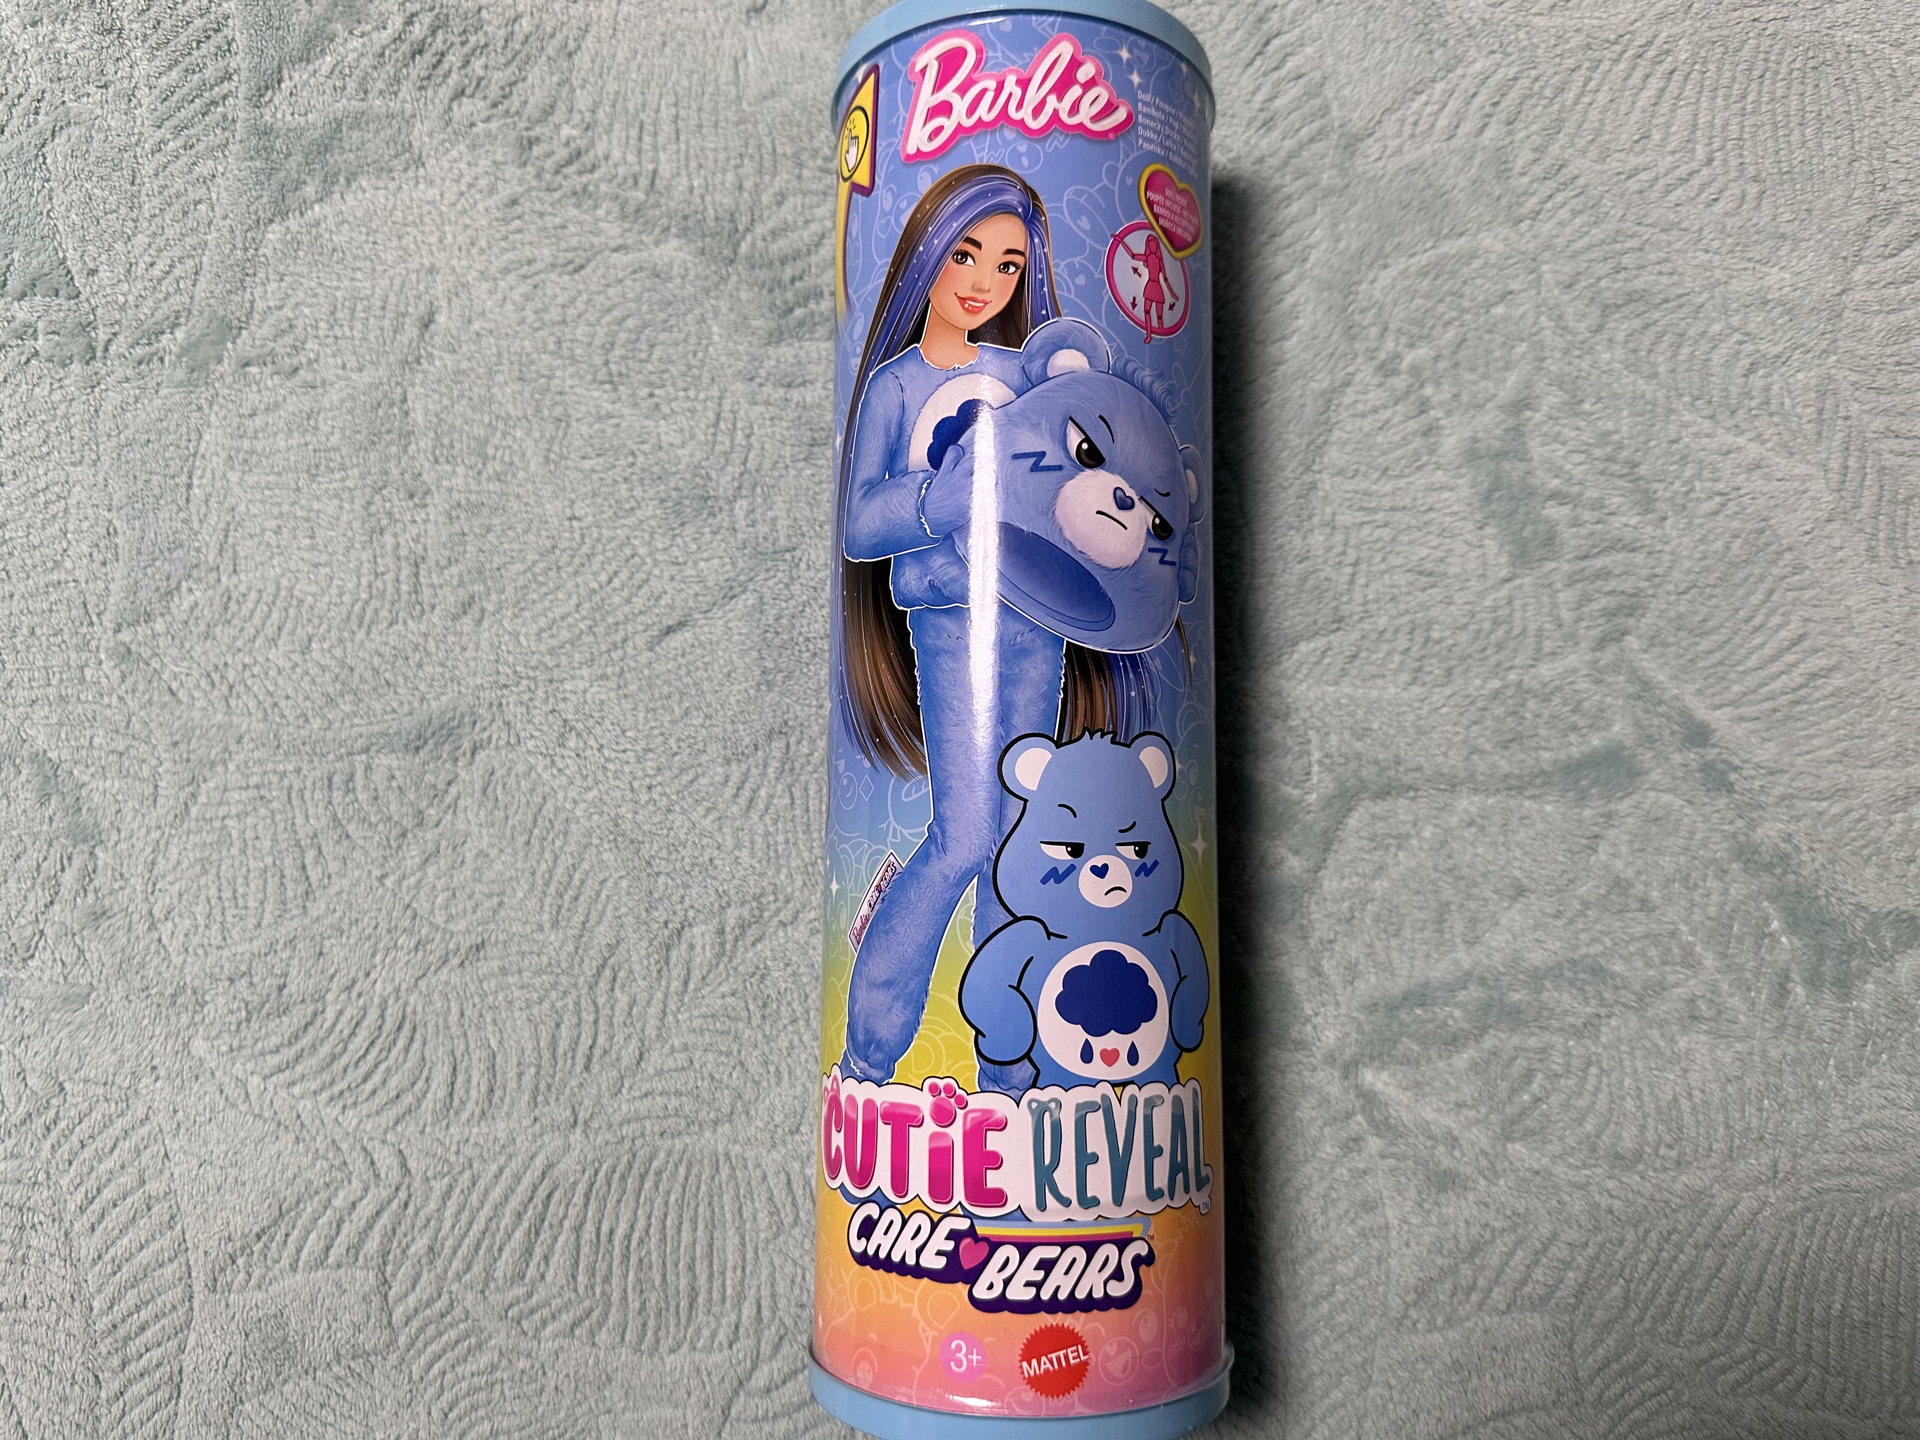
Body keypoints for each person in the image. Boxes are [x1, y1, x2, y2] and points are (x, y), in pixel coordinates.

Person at [835, 165, 1150, 1090]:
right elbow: (860, 522)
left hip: (1037, 621)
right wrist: (942, 496)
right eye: (966, 254)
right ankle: (870, 1053)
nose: (984, 282)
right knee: (967, 834)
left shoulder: (1018, 375)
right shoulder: (896, 387)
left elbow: (1079, 453)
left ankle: (1011, 1075)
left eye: (1008, 266)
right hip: (950, 621)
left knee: (1020, 839)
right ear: (928, 255)